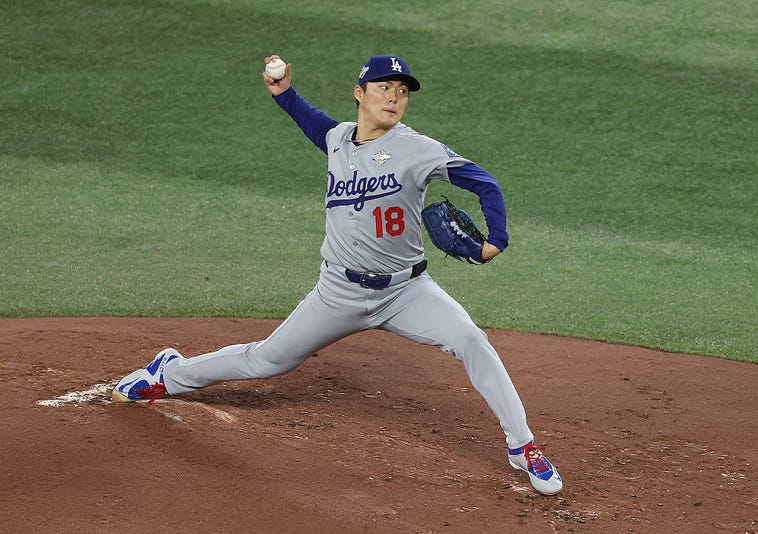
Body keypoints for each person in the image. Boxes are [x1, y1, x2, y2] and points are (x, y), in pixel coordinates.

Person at [112, 54, 563, 496]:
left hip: (406, 292)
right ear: (359, 93)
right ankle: (169, 374)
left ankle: (523, 446)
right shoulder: (338, 139)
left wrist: (495, 241)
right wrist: (284, 93)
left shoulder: (419, 149)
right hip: (338, 292)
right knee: (268, 360)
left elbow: (484, 183)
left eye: (402, 91)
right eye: (384, 88)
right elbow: (311, 122)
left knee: (470, 339)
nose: (394, 97)